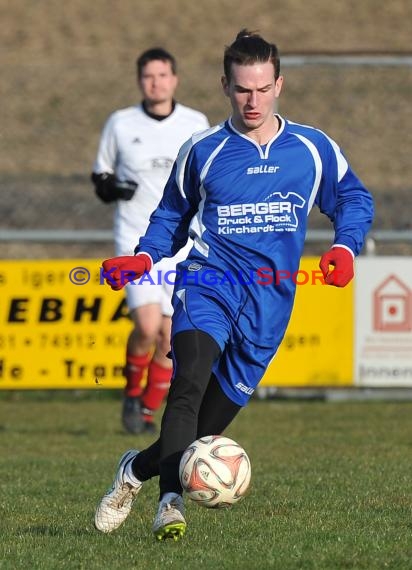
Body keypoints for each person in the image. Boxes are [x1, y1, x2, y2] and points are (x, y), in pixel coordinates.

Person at [94, 30, 374, 541]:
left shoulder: (311, 148)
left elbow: (353, 199)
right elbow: (170, 218)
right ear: (226, 85)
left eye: (263, 89)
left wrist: (344, 247)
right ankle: (169, 505)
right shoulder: (203, 149)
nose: (253, 100)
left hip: (269, 304)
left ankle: (133, 471)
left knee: (203, 430)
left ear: (279, 85)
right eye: (243, 89)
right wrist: (143, 257)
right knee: (189, 382)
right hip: (208, 283)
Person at [91, 48, 209, 434]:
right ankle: (131, 394)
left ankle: (146, 409)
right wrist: (111, 189)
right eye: (148, 76)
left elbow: (204, 178)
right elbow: (101, 176)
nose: (155, 82)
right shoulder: (121, 123)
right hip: (134, 240)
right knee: (146, 327)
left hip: (179, 242)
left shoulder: (195, 123)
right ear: (139, 80)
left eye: (162, 75)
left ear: (174, 79)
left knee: (169, 334)